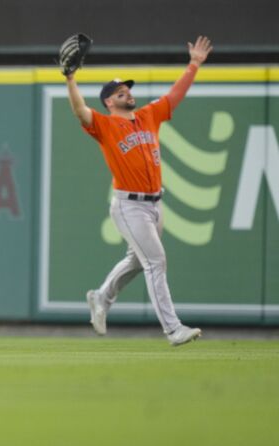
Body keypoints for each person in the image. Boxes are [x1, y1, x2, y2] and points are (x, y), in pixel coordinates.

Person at [64, 36, 213, 347]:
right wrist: (70, 78)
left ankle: (101, 297)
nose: (127, 93)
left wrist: (194, 65)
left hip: (156, 205)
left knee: (136, 260)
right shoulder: (104, 126)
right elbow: (79, 110)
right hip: (129, 206)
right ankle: (173, 330)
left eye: (128, 89)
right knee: (156, 261)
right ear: (109, 101)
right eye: (121, 91)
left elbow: (174, 96)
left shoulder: (148, 116)